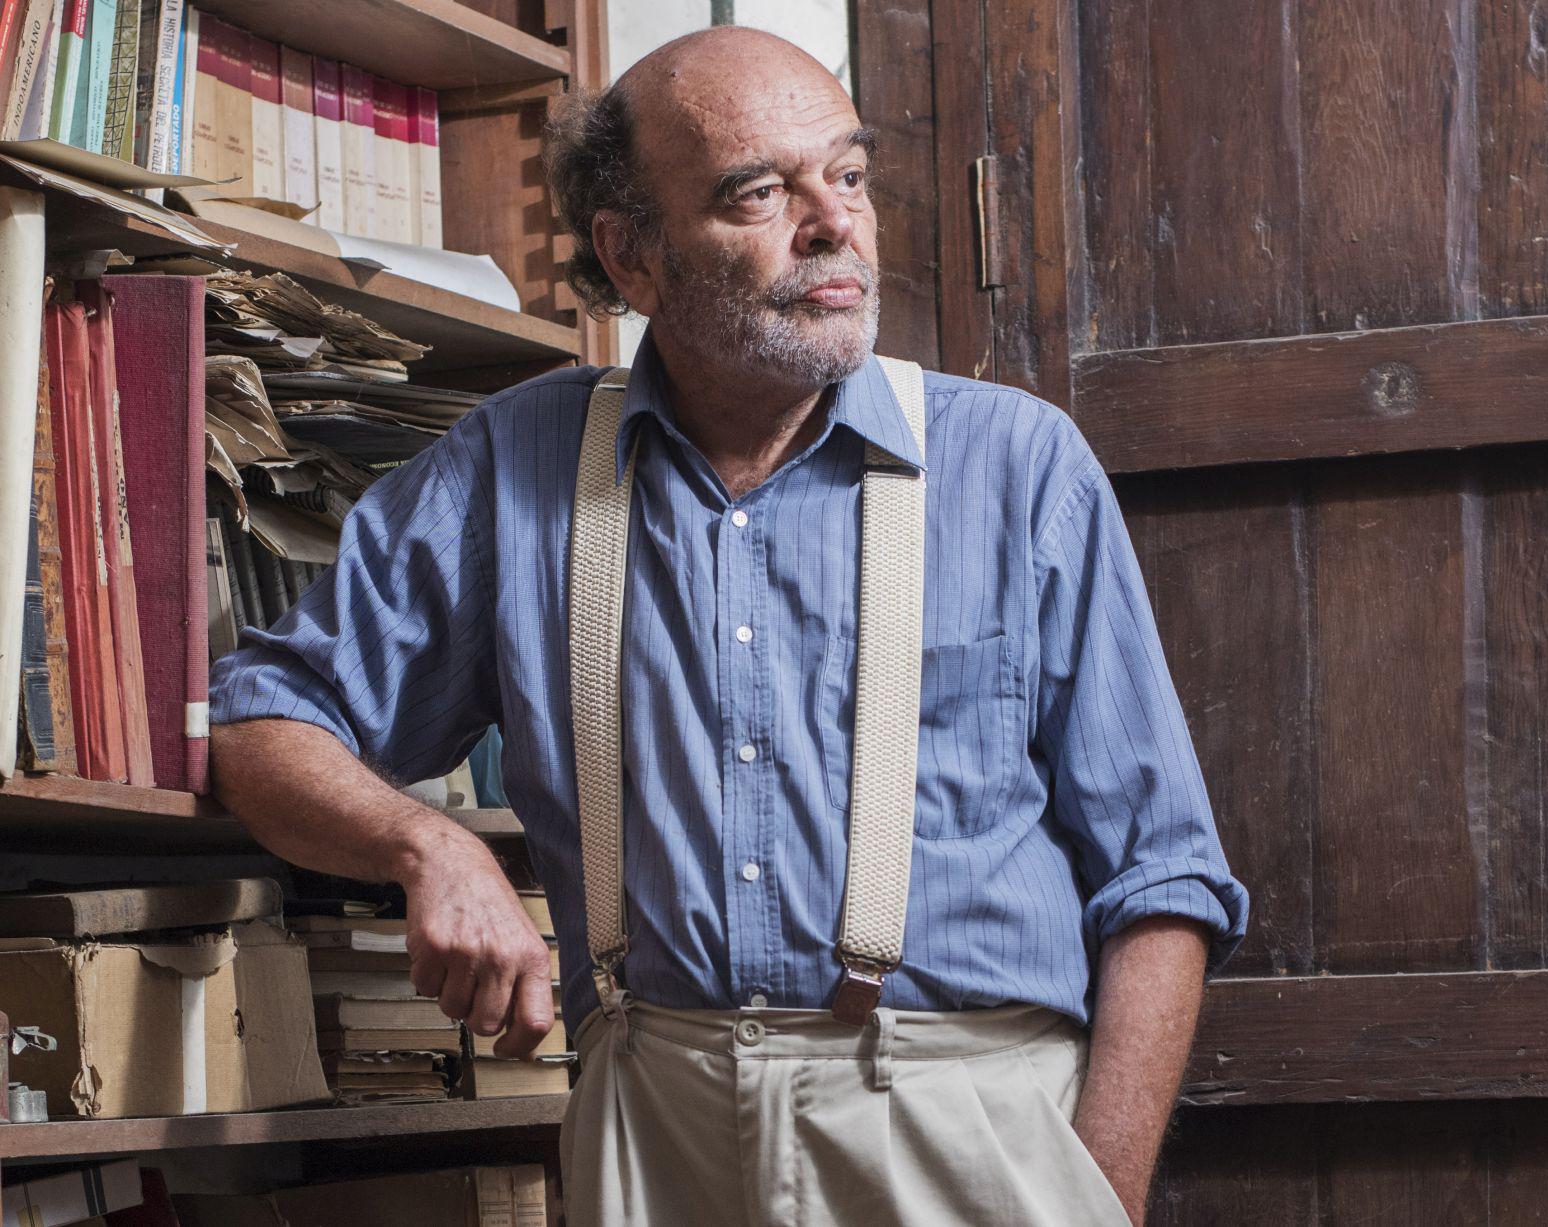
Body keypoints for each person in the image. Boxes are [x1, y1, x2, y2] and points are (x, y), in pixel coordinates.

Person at [208, 25, 1248, 1226]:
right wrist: (428, 848)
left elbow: (1162, 879)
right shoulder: (516, 466)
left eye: (848, 175)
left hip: (969, 1124)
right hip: (653, 1128)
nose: (834, 223)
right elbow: (261, 723)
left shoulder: (1016, 466)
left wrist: (1094, 1198)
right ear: (632, 256)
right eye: (761, 193)